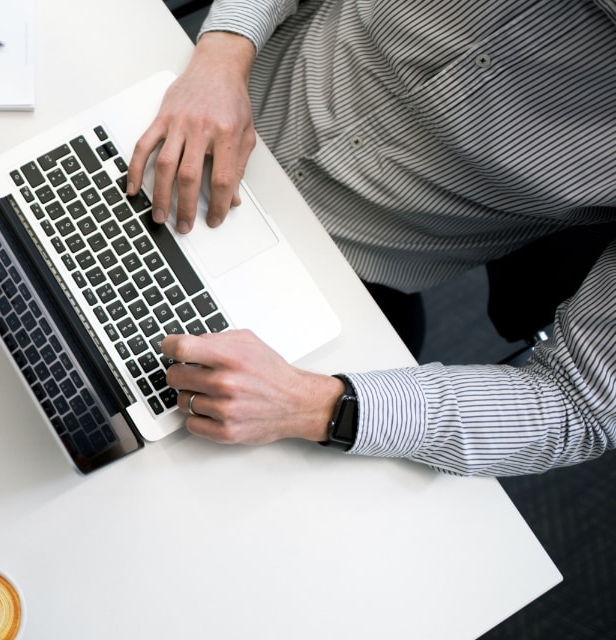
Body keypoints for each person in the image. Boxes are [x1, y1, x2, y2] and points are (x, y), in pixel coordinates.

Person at [126, 0, 616, 476]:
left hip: (337, 280)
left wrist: (312, 405)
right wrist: (224, 53)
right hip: (205, 99)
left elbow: (579, 405)